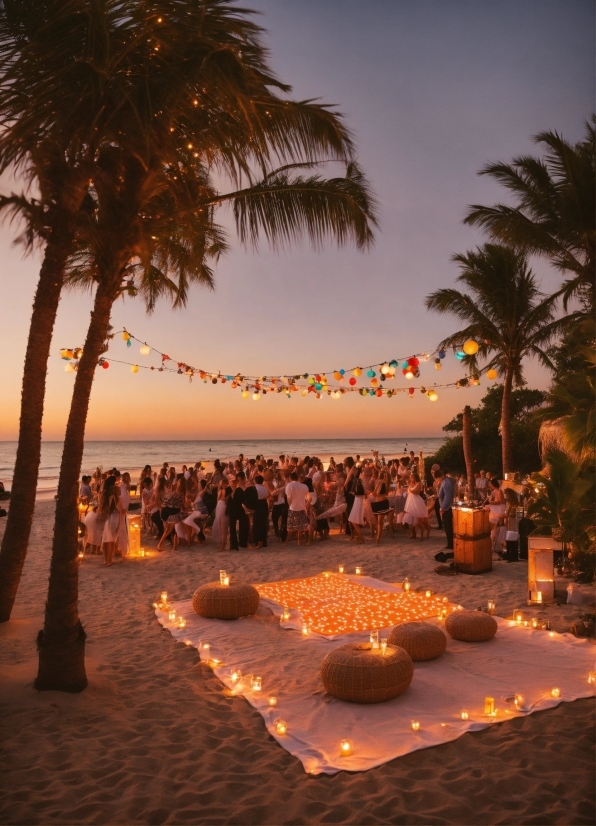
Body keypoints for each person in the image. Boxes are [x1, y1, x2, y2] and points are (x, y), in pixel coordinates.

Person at [285, 472, 309, 545]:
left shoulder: (289, 485)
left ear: (290, 478)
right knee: (303, 525)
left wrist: (289, 504)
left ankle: (287, 541)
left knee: (291, 526)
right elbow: (307, 496)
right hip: (302, 507)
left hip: (293, 507)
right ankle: (305, 540)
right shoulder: (304, 486)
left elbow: (289, 498)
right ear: (297, 478)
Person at [403, 472, 430, 539]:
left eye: (412, 477)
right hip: (410, 501)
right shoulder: (411, 484)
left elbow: (415, 491)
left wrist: (410, 488)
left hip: (417, 501)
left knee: (420, 518)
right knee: (410, 517)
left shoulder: (418, 483)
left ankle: (424, 534)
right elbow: (408, 492)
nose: (411, 478)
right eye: (411, 477)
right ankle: (413, 534)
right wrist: (409, 487)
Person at [437, 469, 456, 552]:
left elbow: (447, 496)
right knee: (447, 526)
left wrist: (443, 507)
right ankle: (450, 543)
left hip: (447, 507)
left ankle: (450, 544)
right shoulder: (446, 481)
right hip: (445, 506)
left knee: (448, 526)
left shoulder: (446, 482)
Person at [370, 479, 394, 544]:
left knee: (379, 522)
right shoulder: (387, 482)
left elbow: (375, 493)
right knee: (379, 522)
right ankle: (378, 536)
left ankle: (378, 538)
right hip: (381, 502)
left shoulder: (380, 482)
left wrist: (372, 492)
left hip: (381, 503)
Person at [229, 473, 249, 550]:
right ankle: (238, 543)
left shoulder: (236, 490)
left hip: (235, 510)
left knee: (235, 527)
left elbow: (242, 500)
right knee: (237, 527)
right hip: (236, 510)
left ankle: (237, 544)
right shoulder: (235, 490)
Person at [348, 475, 366, 544]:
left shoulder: (358, 488)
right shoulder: (361, 489)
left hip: (357, 505)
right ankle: (360, 538)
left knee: (354, 522)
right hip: (358, 504)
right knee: (355, 522)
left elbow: (357, 494)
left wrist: (353, 493)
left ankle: (361, 538)